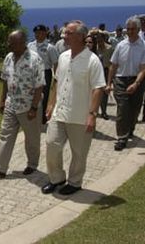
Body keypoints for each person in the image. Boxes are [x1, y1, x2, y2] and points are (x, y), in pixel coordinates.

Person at [42, 20, 106, 195]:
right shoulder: (63, 56)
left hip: (80, 116)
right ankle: (57, 178)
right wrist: (50, 104)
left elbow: (98, 88)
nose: (64, 36)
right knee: (51, 144)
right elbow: (57, 82)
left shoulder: (92, 61)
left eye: (68, 33)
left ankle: (75, 182)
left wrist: (92, 115)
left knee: (79, 154)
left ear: (80, 36)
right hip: (59, 113)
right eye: (65, 33)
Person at [0, 30, 45, 177]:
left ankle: (32, 164)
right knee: (5, 134)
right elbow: (5, 79)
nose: (8, 44)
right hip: (11, 104)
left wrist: (34, 108)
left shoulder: (35, 60)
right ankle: (1, 167)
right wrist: (2, 100)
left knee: (32, 138)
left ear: (21, 43)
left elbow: (39, 86)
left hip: (29, 106)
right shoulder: (9, 58)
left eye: (10, 42)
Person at [106, 16, 145, 151]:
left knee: (135, 109)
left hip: (137, 80)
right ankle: (122, 138)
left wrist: (136, 83)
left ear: (138, 29)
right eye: (128, 29)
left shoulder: (143, 46)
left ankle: (130, 128)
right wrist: (109, 83)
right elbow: (113, 65)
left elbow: (143, 69)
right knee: (123, 109)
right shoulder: (121, 45)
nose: (129, 31)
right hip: (121, 80)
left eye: (133, 29)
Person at [28, 24, 59, 124]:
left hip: (45, 72)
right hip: (32, 72)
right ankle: (32, 113)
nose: (38, 35)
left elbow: (55, 63)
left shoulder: (50, 47)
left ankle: (42, 118)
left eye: (40, 33)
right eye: (36, 33)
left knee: (44, 95)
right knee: (31, 93)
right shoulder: (30, 45)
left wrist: (56, 77)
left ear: (45, 33)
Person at [96, 31, 114, 120]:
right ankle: (95, 110)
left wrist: (110, 79)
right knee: (96, 91)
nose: (99, 43)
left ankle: (104, 112)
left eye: (100, 41)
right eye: (97, 41)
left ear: (104, 40)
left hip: (106, 70)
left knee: (104, 93)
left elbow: (111, 64)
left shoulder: (110, 48)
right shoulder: (95, 48)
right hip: (96, 71)